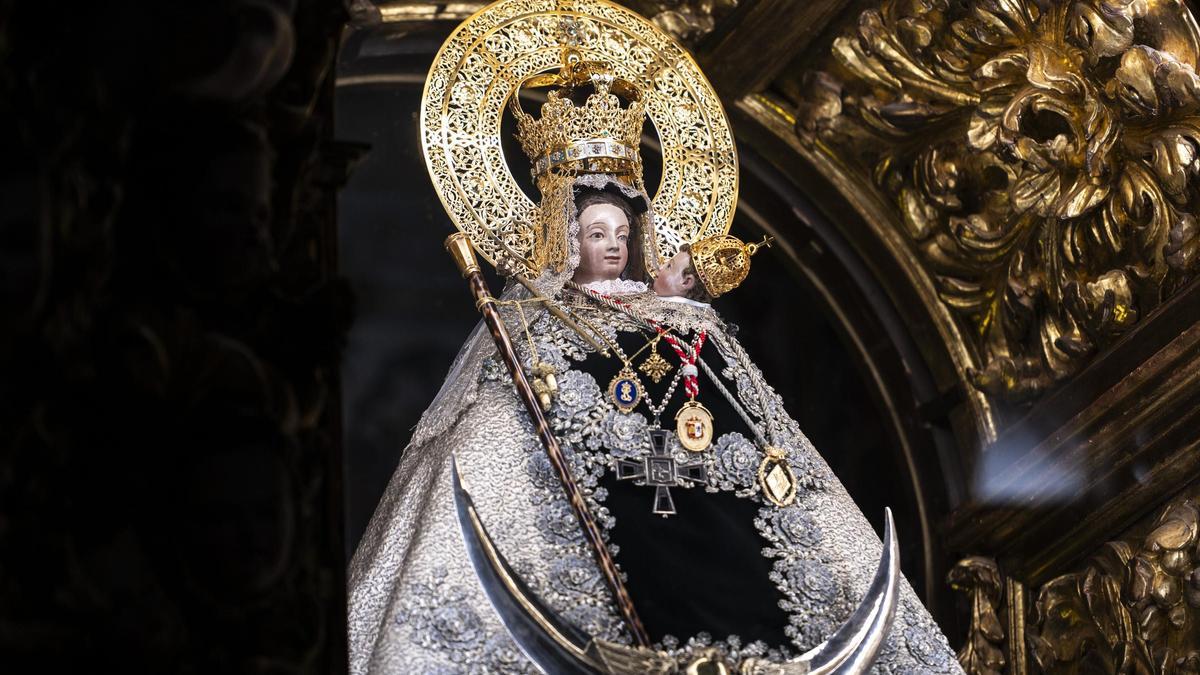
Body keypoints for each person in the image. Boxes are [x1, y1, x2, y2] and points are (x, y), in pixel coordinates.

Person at [348, 3, 962, 671]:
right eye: (595, 234)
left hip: (702, 487)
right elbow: (525, 403)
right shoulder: (528, 324)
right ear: (564, 235)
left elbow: (738, 405)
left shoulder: (678, 315)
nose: (612, 248)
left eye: (620, 233)